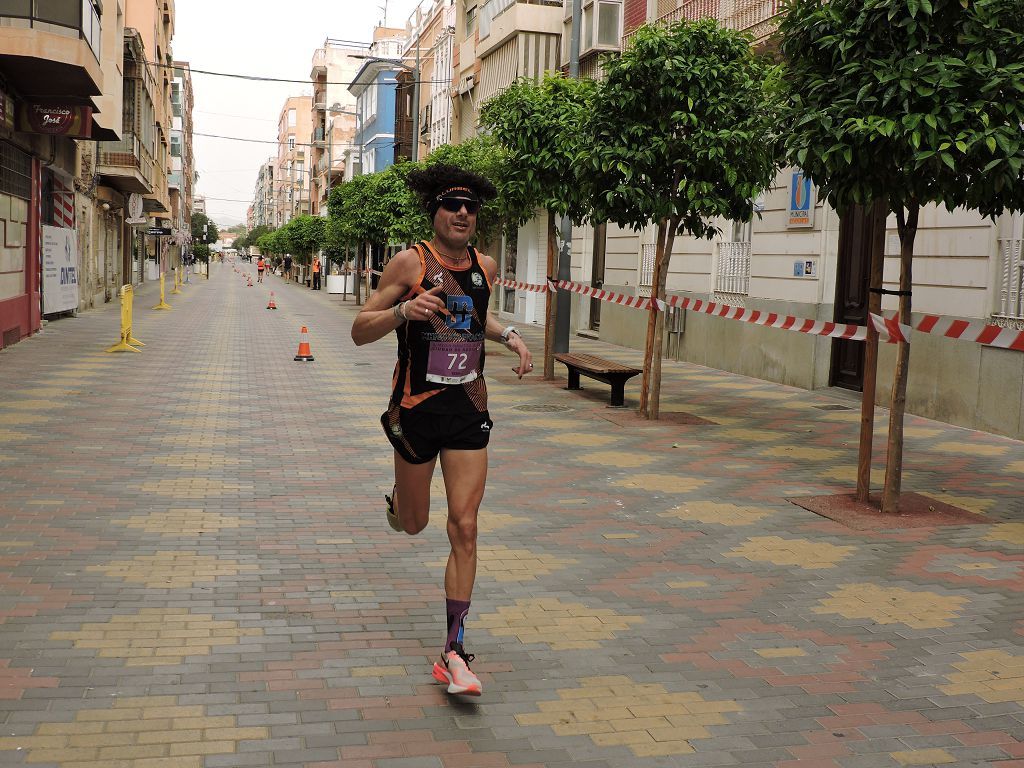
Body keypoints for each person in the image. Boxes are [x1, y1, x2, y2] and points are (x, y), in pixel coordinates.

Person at [351, 164, 533, 698]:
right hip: (415, 411)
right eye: (452, 204)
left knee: (465, 525)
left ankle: (453, 650)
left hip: (467, 408)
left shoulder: (485, 266)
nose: (462, 213)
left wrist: (511, 336)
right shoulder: (411, 261)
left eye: (471, 207)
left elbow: (477, 321)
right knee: (414, 523)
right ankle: (398, 504)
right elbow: (361, 329)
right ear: (434, 211)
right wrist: (405, 309)